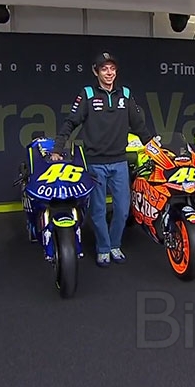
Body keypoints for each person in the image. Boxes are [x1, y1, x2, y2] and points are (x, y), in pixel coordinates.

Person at [51, 52, 153, 267]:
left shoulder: (125, 94)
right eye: (104, 69)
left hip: (120, 162)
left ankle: (115, 245)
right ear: (95, 71)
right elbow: (71, 122)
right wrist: (58, 148)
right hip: (95, 163)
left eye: (112, 68)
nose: (109, 73)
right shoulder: (87, 94)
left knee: (123, 209)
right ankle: (104, 248)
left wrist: (153, 146)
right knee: (97, 210)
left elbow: (139, 125)